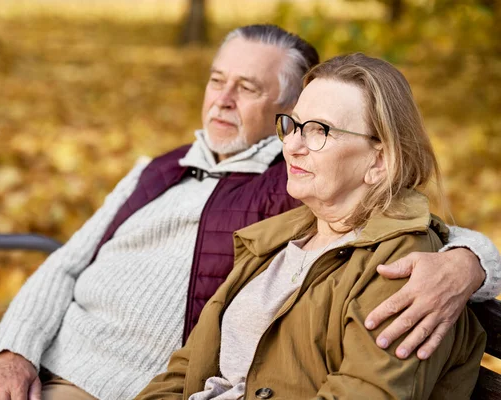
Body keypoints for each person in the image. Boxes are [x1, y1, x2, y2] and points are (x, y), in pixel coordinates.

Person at [0, 25, 498, 400]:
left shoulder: (286, 189)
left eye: (249, 88)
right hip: (58, 346)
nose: (222, 99)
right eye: (216, 80)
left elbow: (401, 217)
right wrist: (15, 349)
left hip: (108, 380)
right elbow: (66, 266)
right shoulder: (179, 177)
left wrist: (469, 261)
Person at [136, 53, 487, 400]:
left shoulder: (401, 265)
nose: (291, 146)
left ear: (379, 161)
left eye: (319, 131)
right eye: (293, 125)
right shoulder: (277, 238)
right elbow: (184, 370)